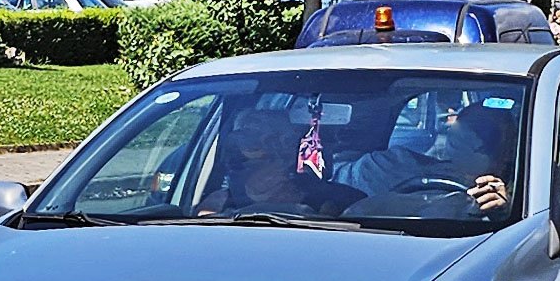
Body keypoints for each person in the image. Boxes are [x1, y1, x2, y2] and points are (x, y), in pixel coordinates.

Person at [332, 103, 514, 215]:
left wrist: (504, 208)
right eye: (453, 141)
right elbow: (334, 187)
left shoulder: (516, 193)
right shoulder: (393, 164)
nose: (451, 148)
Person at [195, 109, 365, 216]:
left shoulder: (345, 201)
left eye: (280, 141)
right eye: (250, 139)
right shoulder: (219, 203)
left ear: (294, 148)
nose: (269, 149)